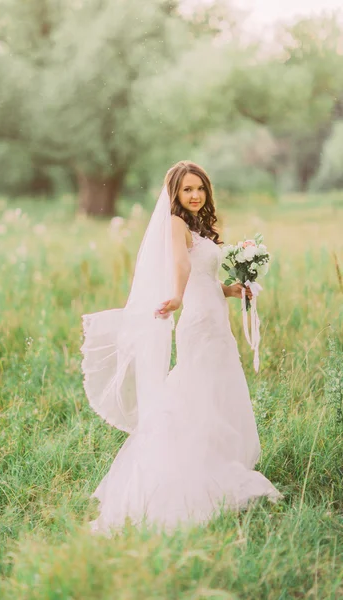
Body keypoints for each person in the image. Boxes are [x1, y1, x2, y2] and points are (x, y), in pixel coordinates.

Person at [81, 160, 283, 536]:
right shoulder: (175, 224)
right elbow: (181, 267)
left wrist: (233, 288)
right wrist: (174, 297)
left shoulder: (201, 228)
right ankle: (185, 475)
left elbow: (205, 275)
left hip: (216, 316)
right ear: (175, 193)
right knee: (196, 390)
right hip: (198, 321)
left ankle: (213, 460)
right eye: (187, 189)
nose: (194, 195)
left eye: (200, 189)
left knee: (213, 391)